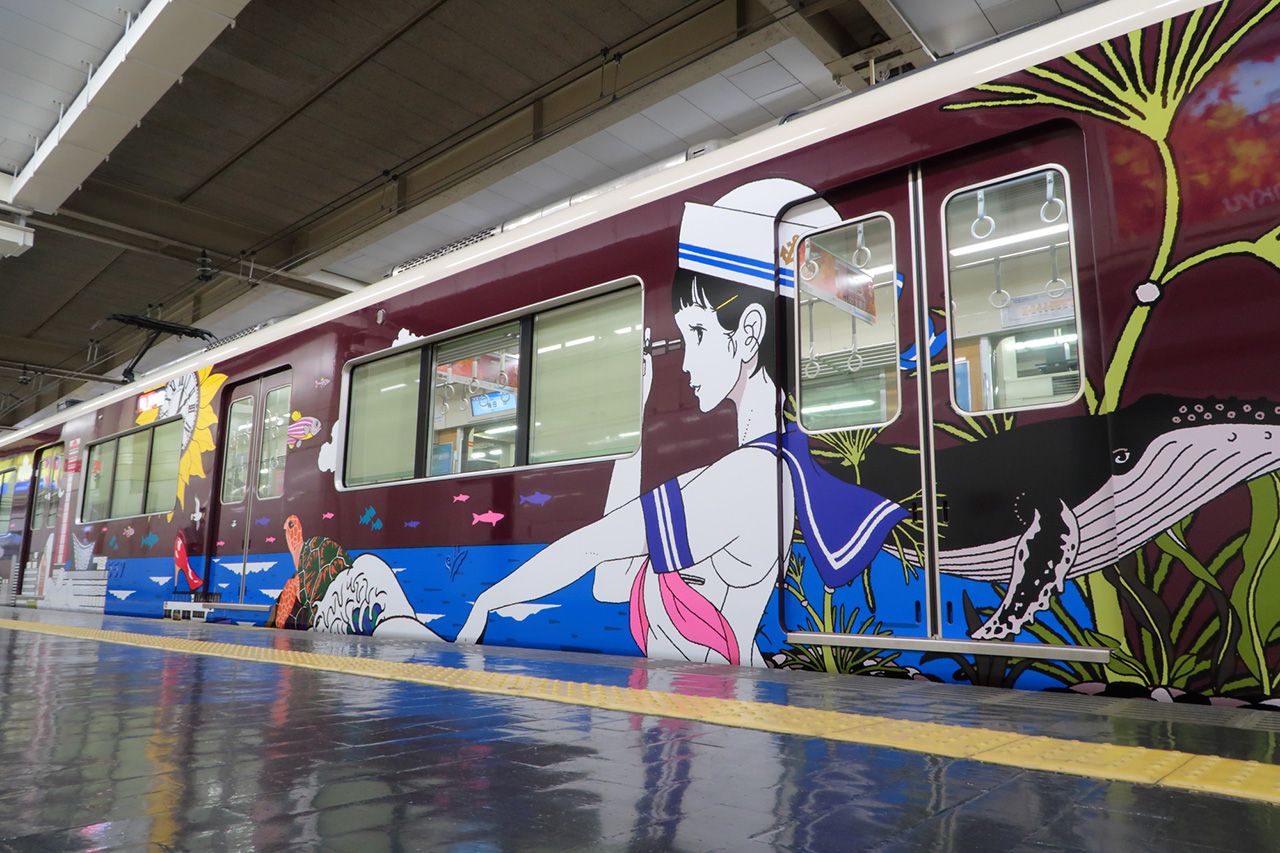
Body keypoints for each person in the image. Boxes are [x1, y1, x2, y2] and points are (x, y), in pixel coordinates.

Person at [455, 179, 906, 665]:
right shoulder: (758, 467)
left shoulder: (751, 477)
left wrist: (487, 601)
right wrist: (639, 425)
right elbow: (610, 585)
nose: (685, 360)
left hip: (711, 718)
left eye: (696, 331)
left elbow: (591, 548)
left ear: (750, 333)